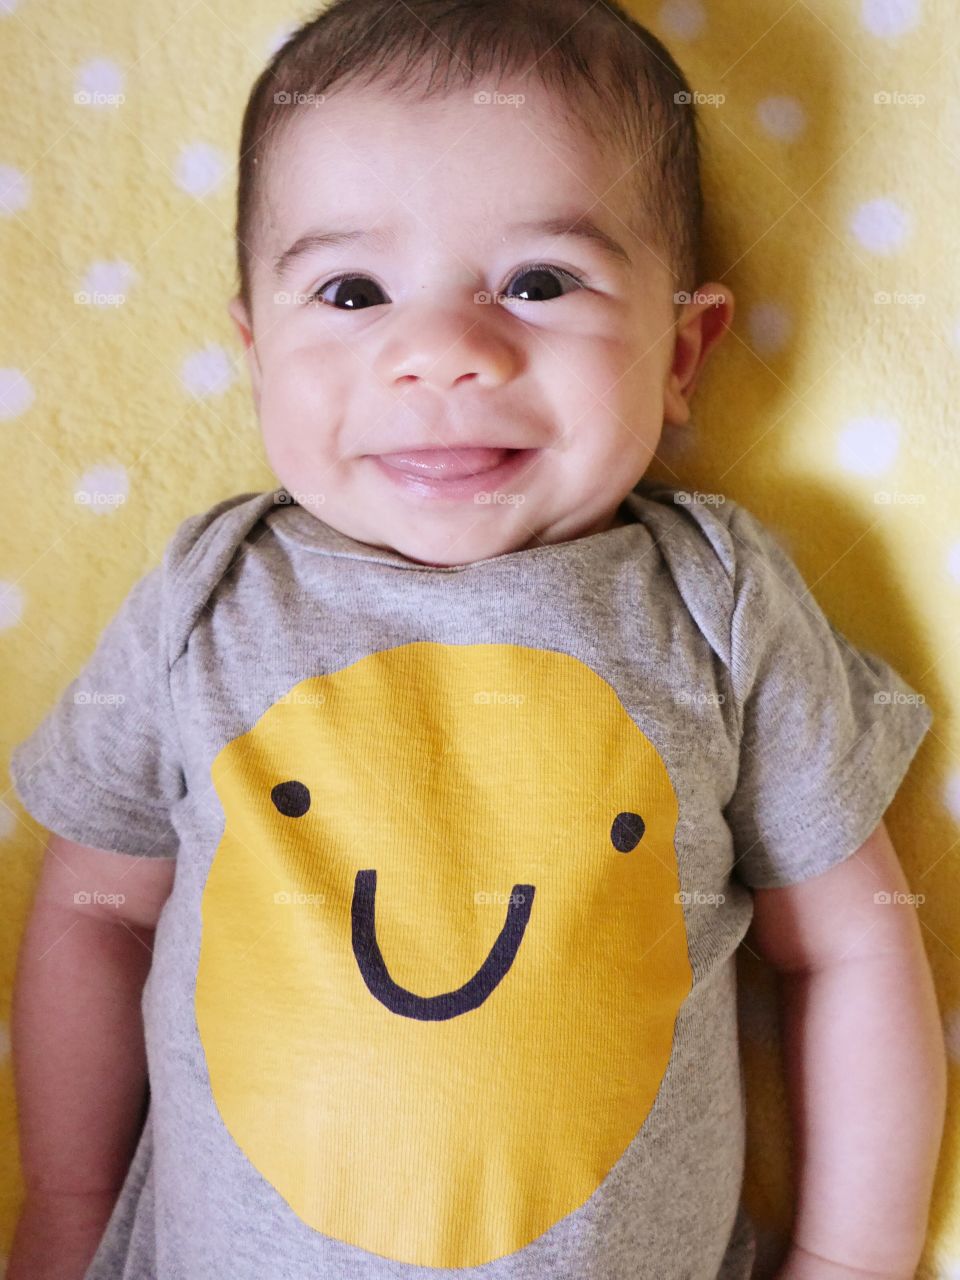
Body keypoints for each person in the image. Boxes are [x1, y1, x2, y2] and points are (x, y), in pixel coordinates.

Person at [7, 1, 946, 1277]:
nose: (442, 352)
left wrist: (850, 1257)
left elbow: (847, 940)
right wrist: (65, 1202)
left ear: (682, 350)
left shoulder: (714, 600)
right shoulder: (207, 596)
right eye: (351, 292)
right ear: (256, 353)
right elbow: (97, 910)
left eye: (539, 282)